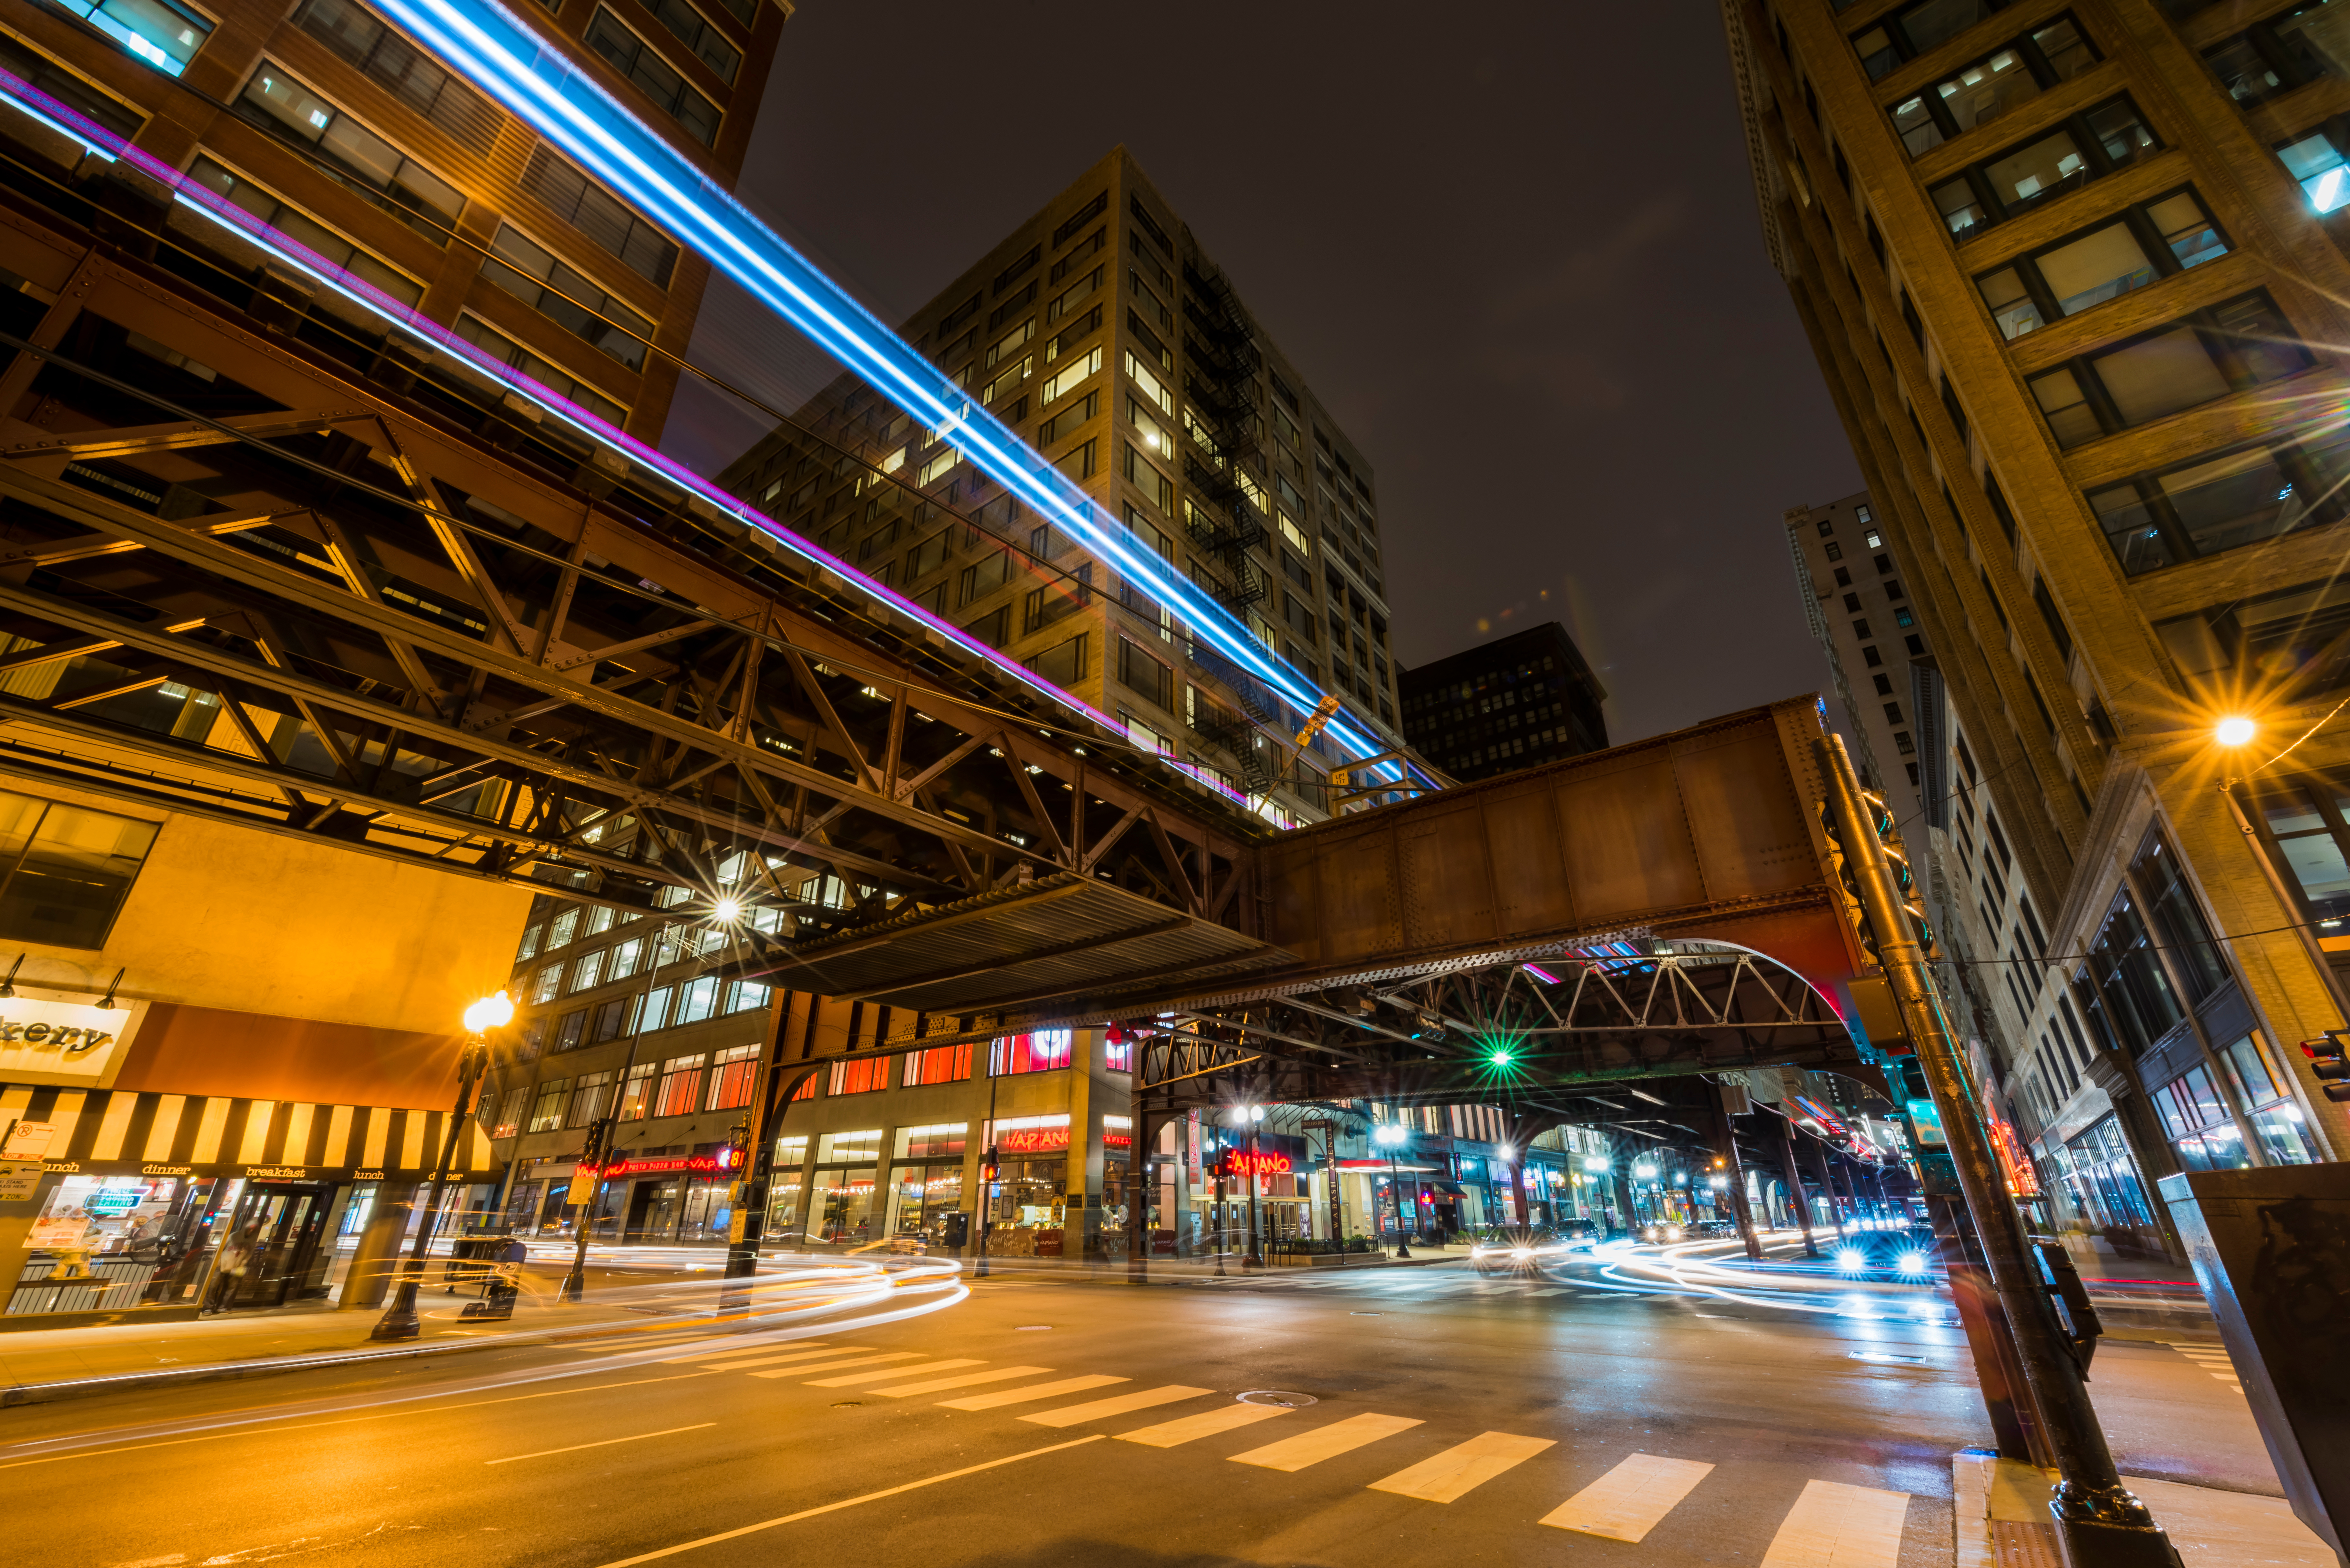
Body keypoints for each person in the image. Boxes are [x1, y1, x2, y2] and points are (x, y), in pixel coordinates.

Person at [201, 1225, 256, 1315]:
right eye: (250, 1229)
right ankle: (208, 1307)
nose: (251, 1232)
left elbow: (249, 1254)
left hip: (236, 1267)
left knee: (230, 1288)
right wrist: (218, 1262)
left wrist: (242, 1264)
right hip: (222, 1264)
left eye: (253, 1230)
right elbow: (221, 1248)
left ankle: (222, 1307)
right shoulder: (233, 1236)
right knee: (213, 1286)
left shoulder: (253, 1241)